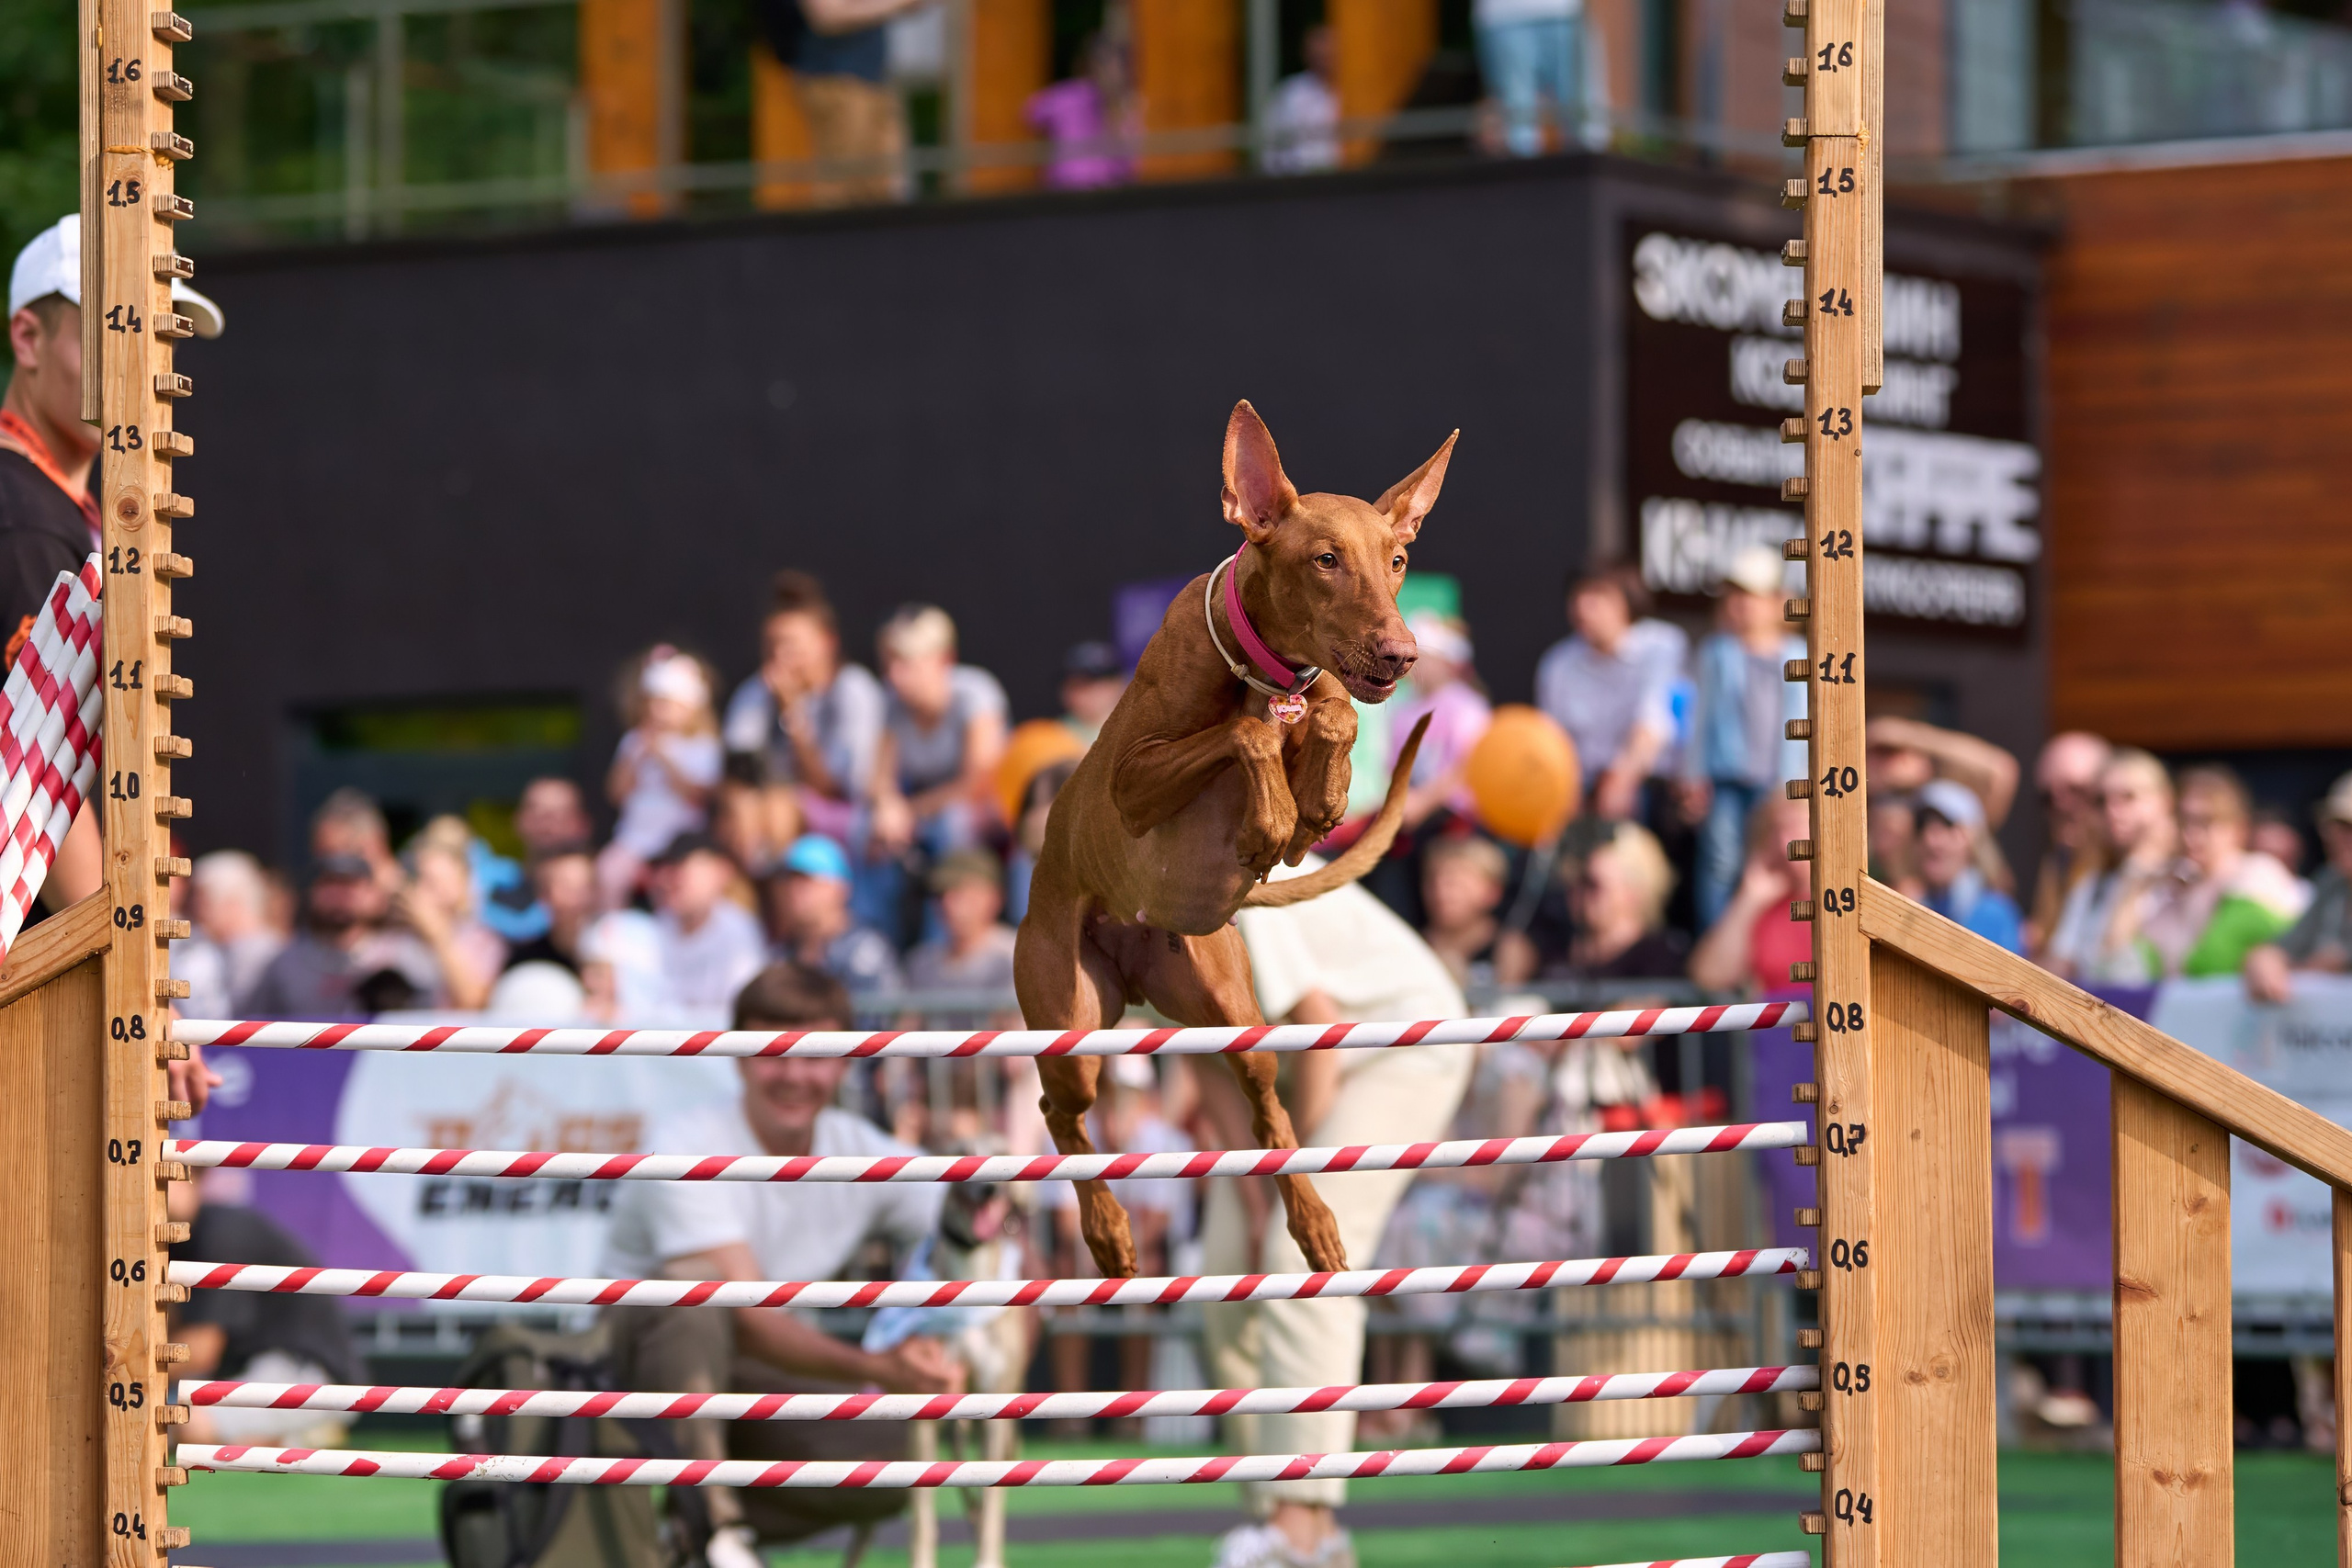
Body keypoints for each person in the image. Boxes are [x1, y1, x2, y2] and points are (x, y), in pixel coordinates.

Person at [601, 962, 960, 1568]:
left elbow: (971, 1216)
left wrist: (957, 1345)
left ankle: (685, 1536)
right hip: (622, 1382)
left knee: (911, 1452)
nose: (794, 1073)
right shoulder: (684, 1144)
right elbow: (748, 1314)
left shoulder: (858, 1147)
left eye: (815, 1053)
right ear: (737, 1054)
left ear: (846, 1061)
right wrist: (879, 1365)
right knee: (696, 1300)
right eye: (773, 1051)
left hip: (756, 1380)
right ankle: (715, 1525)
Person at [1204, 863, 1475, 1568]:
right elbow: (1204, 1058)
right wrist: (1254, 1173)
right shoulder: (1108, 914)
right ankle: (1270, 1518)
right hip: (1306, 1063)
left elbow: (1316, 1024)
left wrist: (1285, 1177)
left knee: (1300, 1256)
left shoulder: (1216, 873)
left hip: (1402, 1041)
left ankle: (1306, 1530)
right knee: (1223, 1283)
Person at [5, 217, 221, 911]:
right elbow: (36, 767)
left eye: (160, 337)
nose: (144, 366)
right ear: (28, 339)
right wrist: (112, 962)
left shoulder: (56, 504)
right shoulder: (23, 515)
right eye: (117, 332)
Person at [166, 1173, 364, 1448]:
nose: (155, 1192)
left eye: (166, 1179)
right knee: (166, 1417)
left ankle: (299, 1432)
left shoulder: (222, 1234)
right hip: (251, 1370)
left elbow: (200, 1351)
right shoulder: (173, 1241)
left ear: (196, 1180)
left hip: (307, 1373)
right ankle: (291, 1438)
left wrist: (125, 1367)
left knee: (185, 1425)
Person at [1678, 545, 1808, 928]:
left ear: (1776, 601)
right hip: (1726, 779)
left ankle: (1766, 951)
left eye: (1751, 595)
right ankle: (1719, 945)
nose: (1741, 605)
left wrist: (1797, 785)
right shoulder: (1716, 652)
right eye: (1734, 595)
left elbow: (1804, 724)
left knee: (1775, 864)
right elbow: (1698, 718)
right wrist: (1692, 774)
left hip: (1779, 785)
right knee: (1721, 861)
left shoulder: (1798, 653)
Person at [861, 604, 1008, 942]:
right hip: (928, 813)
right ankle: (876, 944)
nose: (894, 675)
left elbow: (978, 782)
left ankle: (939, 943)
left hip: (986, 813)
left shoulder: (976, 693)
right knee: (866, 829)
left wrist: (906, 811)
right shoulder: (892, 704)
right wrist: (886, 806)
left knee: (953, 822)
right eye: (889, 663)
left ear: (944, 660)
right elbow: (878, 779)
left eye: (906, 663)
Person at [719, 570, 887, 859]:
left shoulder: (853, 690)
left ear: (827, 642)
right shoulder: (755, 692)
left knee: (780, 808)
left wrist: (792, 715)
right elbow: (734, 771)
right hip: (762, 820)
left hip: (847, 824)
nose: (781, 655)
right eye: (772, 645)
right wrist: (740, 805)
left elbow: (837, 788)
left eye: (791, 644)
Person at [751, 0, 939, 206]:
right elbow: (827, 16)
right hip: (836, 81)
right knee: (842, 191)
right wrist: (896, 4)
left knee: (881, 189)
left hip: (873, 79)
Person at [1534, 567, 1680, 822]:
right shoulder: (1557, 663)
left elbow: (1652, 725)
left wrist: (1622, 779)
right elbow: (1551, 737)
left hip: (1648, 787)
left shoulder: (1661, 645)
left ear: (1627, 603)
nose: (1583, 607)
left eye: (1598, 596)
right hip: (1579, 786)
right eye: (1577, 597)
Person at [238, 855, 441, 1017]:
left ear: (373, 894)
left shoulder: (404, 956)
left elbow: (430, 1020)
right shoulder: (283, 964)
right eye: (329, 883)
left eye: (350, 885)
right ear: (313, 892)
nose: (340, 895)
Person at [600, 646, 724, 910]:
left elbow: (698, 795)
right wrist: (634, 760)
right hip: (633, 840)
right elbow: (616, 793)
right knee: (607, 874)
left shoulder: (703, 746)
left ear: (689, 708)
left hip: (678, 843)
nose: (657, 711)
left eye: (666, 704)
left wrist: (664, 758)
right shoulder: (633, 742)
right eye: (652, 702)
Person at [2043, 749, 2177, 985]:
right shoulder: (2093, 885)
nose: (2112, 811)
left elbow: (2118, 963)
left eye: (2129, 797)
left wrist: (2142, 867)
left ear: (2165, 801)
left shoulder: (2187, 879)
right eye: (2102, 801)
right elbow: (2060, 963)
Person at [1688, 795, 1814, 995]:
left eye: (1794, 827)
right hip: (1777, 1022)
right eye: (1775, 831)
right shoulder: (1764, 904)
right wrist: (1749, 899)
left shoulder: (1846, 899)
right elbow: (1711, 977)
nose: (1784, 844)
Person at [2245, 772, 2352, 1005]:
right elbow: (2282, 948)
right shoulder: (2332, 883)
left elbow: (2330, 964)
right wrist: (2264, 959)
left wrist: (2328, 966)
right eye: (2337, 825)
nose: (2340, 837)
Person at [1537, 820, 1688, 984]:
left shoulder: (1659, 958)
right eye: (1575, 882)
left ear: (1633, 892)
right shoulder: (1556, 953)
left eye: (1593, 885)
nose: (1578, 892)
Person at [764, 832, 902, 995]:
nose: (794, 890)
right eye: (788, 880)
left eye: (806, 880)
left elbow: (883, 1017)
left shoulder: (863, 950)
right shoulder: (783, 953)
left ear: (840, 888)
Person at [646, 832, 766, 1017]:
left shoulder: (738, 930)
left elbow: (740, 1011)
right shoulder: (654, 928)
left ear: (721, 872)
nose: (668, 878)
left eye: (682, 869)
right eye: (665, 869)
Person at [394, 817, 507, 1010]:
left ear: (464, 880)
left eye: (434, 882)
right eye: (421, 880)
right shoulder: (396, 935)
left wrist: (438, 935)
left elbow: (473, 1002)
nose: (425, 892)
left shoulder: (484, 940)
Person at [2025, 731, 2112, 958]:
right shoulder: (2056, 864)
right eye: (2047, 797)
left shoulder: (2129, 870)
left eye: (2075, 790)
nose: (2061, 805)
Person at [1914, 779, 2025, 954]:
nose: (1930, 840)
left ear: (1971, 839)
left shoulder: (1994, 913)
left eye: (1945, 826)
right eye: (1921, 826)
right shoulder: (1915, 906)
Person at [178, 851, 288, 1022]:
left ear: (233, 903)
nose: (197, 910)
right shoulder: (209, 950)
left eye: (204, 901)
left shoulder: (273, 957)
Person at [1474, 0, 1589, 157]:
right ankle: (1525, 172)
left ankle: (1576, 169)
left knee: (1572, 110)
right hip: (1505, 14)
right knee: (1519, 113)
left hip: (1562, 11)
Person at [1025, 28, 1136, 189]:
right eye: (1106, 64)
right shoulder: (1070, 96)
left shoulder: (1129, 109)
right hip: (1066, 191)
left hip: (1107, 195)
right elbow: (1030, 114)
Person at [902, 849, 1018, 997]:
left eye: (960, 893)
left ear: (993, 898)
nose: (947, 903)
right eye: (940, 895)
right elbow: (908, 1018)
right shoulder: (921, 964)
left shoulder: (1017, 958)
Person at [1419, 834, 1510, 988]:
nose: (1442, 893)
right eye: (1433, 881)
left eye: (1456, 884)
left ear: (1492, 891)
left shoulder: (1509, 949)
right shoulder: (1414, 945)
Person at [500, 843, 598, 975]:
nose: (580, 897)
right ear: (543, 895)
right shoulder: (527, 962)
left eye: (586, 885)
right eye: (568, 887)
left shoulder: (620, 949)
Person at [1263, 25, 1341, 174]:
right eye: (1319, 55)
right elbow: (1272, 148)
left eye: (1329, 54)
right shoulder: (1290, 93)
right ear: (1306, 55)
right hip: (1301, 183)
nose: (1325, 59)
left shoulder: (1356, 92)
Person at [1057, 640, 1128, 744]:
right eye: (1077, 685)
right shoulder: (1050, 734)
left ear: (1119, 683)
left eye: (1098, 682)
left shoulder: (1145, 728)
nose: (1089, 693)